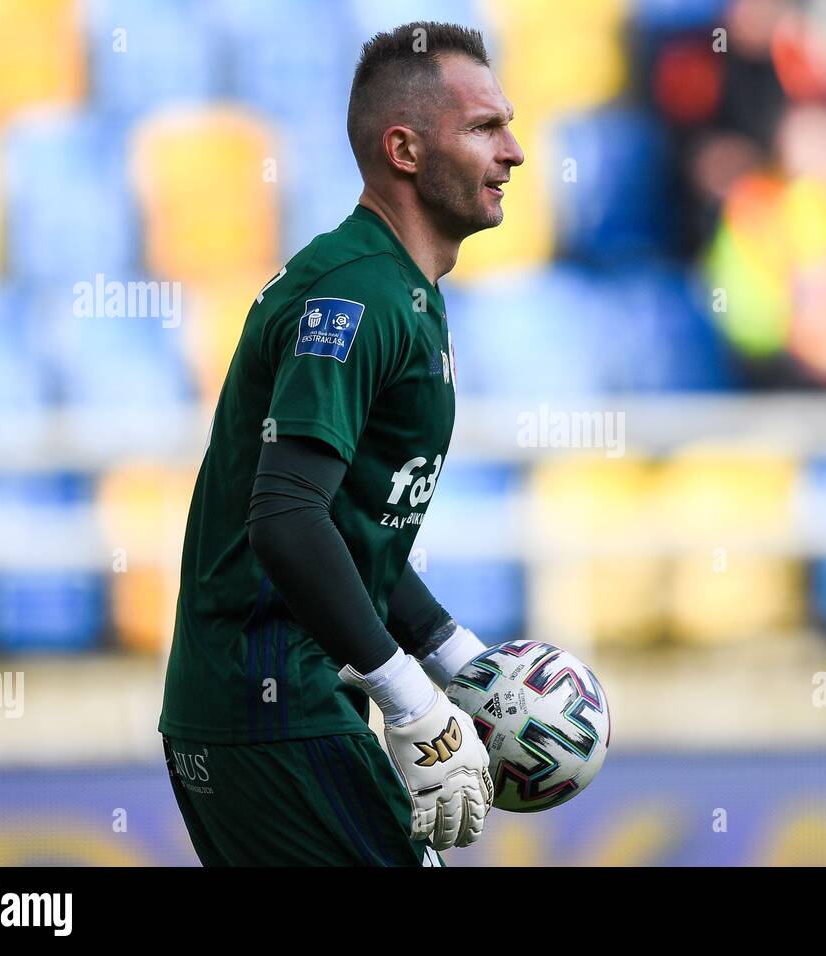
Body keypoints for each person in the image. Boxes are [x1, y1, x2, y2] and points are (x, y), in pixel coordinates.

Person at [159, 21, 525, 866]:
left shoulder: (402, 288)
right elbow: (285, 518)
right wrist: (412, 701)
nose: (513, 151)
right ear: (403, 148)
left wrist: (458, 660)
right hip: (274, 707)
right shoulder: (356, 298)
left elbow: (354, 523)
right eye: (483, 128)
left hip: (280, 705)